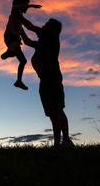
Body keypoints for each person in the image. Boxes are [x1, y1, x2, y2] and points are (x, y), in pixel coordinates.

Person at [18, 15, 74, 147]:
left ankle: (66, 140)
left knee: (58, 109)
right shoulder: (42, 44)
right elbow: (27, 42)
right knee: (53, 113)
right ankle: (57, 143)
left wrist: (18, 15)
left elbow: (31, 27)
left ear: (52, 29)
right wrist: (19, 28)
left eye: (46, 24)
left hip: (52, 77)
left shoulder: (51, 37)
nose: (43, 26)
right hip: (44, 79)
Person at [0, 0, 41, 90]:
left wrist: (35, 44)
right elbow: (15, 7)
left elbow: (26, 40)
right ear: (20, 4)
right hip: (10, 37)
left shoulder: (19, 24)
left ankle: (19, 81)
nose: (27, 7)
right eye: (25, 5)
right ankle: (9, 51)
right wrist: (31, 6)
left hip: (14, 42)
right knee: (17, 40)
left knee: (23, 60)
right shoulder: (15, 12)